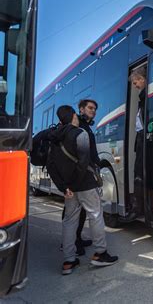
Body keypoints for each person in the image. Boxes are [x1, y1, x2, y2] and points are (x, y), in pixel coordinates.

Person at [48, 105, 118, 275]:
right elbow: (84, 162)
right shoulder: (81, 134)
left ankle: (68, 261)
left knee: (69, 221)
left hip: (69, 189)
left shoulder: (54, 139)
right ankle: (100, 254)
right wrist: (75, 184)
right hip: (84, 184)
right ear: (73, 116)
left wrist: (64, 187)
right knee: (95, 216)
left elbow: (51, 166)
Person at [60, 99, 99, 255]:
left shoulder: (86, 127)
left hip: (84, 173)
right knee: (73, 212)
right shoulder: (78, 126)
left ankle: (76, 239)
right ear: (81, 110)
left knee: (80, 210)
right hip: (80, 174)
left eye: (95, 108)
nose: (93, 110)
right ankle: (69, 243)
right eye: (90, 108)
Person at [120, 67, 146, 222]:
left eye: (136, 83)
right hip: (141, 140)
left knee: (138, 175)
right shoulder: (142, 97)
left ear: (142, 79)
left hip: (143, 140)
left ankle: (137, 209)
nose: (135, 86)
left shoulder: (146, 96)